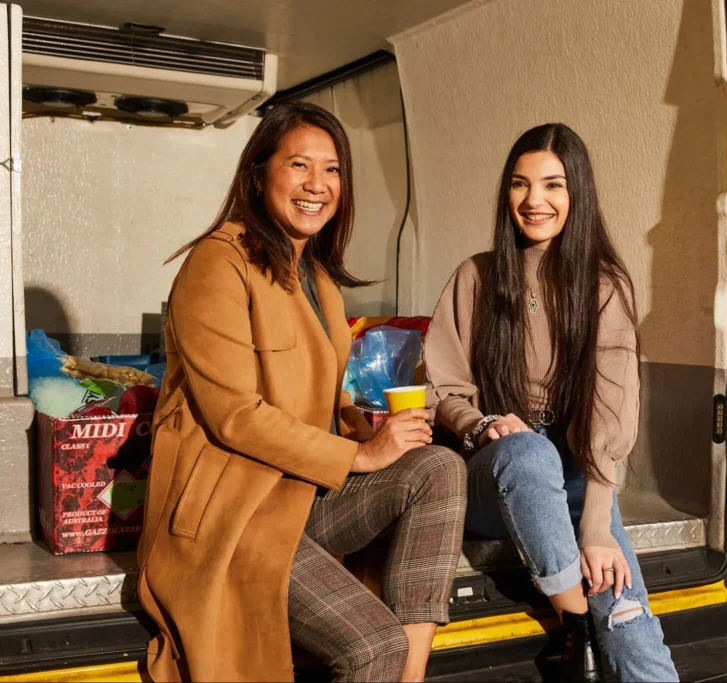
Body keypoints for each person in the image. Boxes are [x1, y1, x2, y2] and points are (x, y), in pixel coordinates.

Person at [137, 102, 467, 683]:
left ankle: (410, 677)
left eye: (333, 169)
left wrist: (380, 434)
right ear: (258, 174)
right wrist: (362, 456)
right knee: (373, 647)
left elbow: (333, 402)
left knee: (437, 467)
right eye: (299, 165)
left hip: (304, 501)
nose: (319, 185)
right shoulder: (217, 263)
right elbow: (234, 415)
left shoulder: (318, 279)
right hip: (237, 518)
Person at [424, 123, 679, 682]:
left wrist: (596, 529)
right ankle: (579, 623)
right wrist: (483, 423)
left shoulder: (604, 284)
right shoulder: (477, 276)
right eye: (520, 184)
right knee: (529, 454)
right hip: (494, 471)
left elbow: (610, 411)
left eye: (553, 185)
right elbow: (442, 388)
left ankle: (597, 640)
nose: (534, 200)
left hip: (578, 470)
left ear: (576, 194)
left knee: (630, 614)